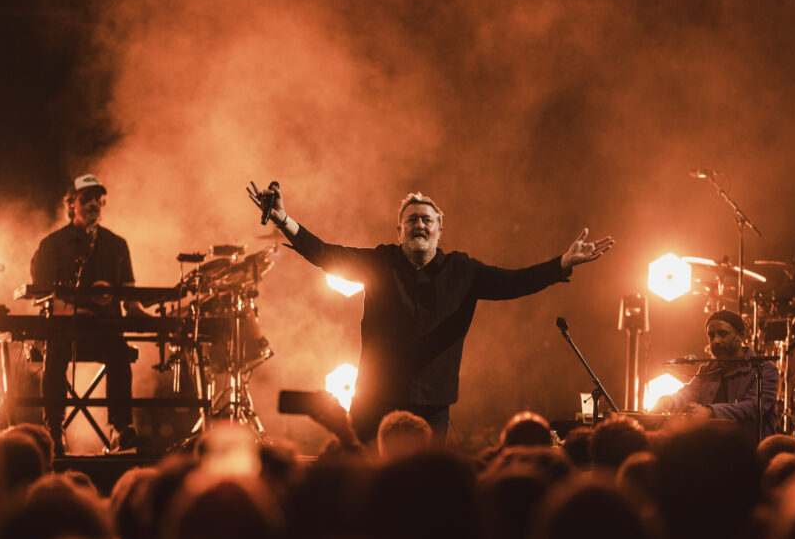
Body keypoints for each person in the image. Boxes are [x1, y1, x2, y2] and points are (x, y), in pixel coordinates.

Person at [247, 181, 613, 443]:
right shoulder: (380, 262)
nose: (419, 224)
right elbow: (326, 253)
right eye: (412, 220)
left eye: (426, 219)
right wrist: (282, 219)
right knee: (365, 479)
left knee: (420, 486)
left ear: (439, 230)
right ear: (400, 229)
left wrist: (562, 263)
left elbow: (514, 282)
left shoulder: (463, 271)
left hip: (432, 404)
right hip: (374, 398)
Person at [31, 174, 144, 455]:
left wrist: (140, 311)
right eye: (87, 199)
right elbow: (43, 296)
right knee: (55, 354)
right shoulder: (52, 245)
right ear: (71, 205)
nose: (94, 204)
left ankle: (120, 429)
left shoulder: (116, 244)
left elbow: (128, 294)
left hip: (104, 332)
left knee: (119, 352)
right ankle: (54, 430)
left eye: (99, 199)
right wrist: (71, 309)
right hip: (63, 332)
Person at [651, 310, 779, 438]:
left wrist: (710, 411)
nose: (716, 340)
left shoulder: (764, 370)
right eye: (711, 336)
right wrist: (670, 401)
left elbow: (753, 408)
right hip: (713, 448)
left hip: (749, 451)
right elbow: (687, 393)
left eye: (723, 334)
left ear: (740, 336)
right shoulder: (707, 370)